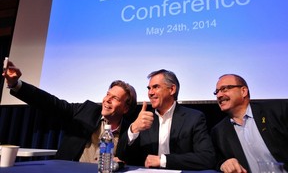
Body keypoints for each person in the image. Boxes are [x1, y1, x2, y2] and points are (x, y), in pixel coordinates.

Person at [2, 60, 137, 163]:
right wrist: (16, 84)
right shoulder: (86, 111)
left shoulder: (130, 133)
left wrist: (122, 164)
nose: (107, 100)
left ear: (125, 108)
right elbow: (50, 103)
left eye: (115, 98)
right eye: (107, 94)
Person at [116, 69, 216, 170]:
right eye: (149, 88)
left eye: (156, 87)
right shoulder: (142, 118)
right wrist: (133, 129)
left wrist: (163, 160)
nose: (150, 93)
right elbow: (123, 157)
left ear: (172, 89)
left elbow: (207, 158)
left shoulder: (194, 118)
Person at [211, 74, 288, 173]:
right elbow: (216, 161)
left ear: (243, 91)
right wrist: (223, 164)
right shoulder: (218, 132)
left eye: (225, 89)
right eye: (216, 92)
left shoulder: (278, 110)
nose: (219, 95)